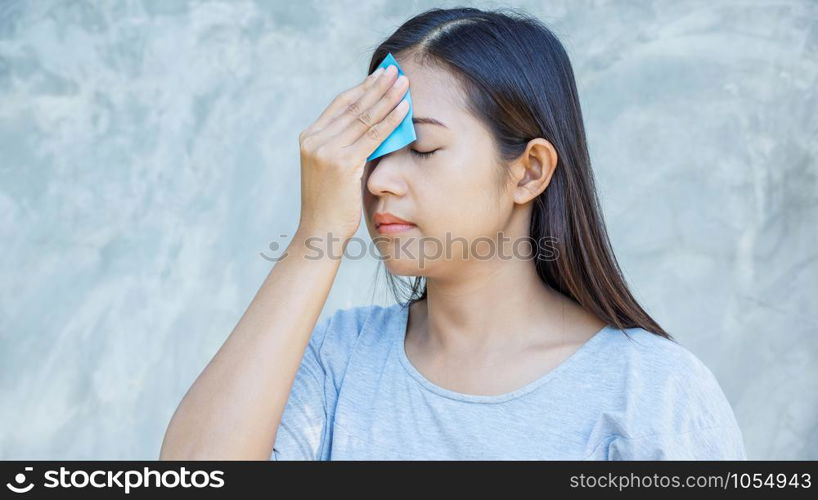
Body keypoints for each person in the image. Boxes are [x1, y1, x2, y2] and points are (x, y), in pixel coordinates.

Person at [159, 7, 747, 460]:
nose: (380, 179)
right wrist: (318, 232)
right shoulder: (335, 361)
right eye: (373, 153)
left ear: (529, 171)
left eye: (422, 147)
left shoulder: (650, 390)